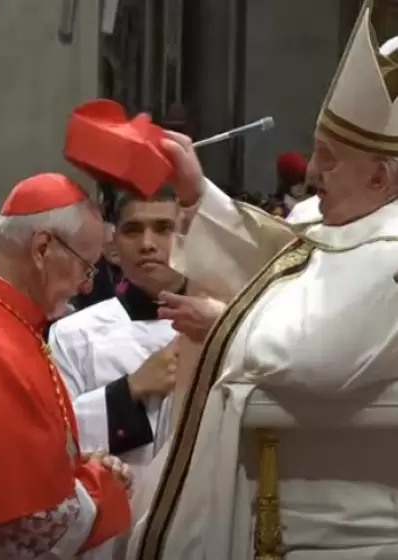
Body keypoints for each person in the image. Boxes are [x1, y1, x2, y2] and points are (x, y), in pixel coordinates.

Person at [127, 3, 398, 559]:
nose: (312, 173)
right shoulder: (334, 221)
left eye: (329, 157)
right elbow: (278, 266)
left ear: (380, 175)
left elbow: (318, 357)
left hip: (335, 532)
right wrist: (194, 193)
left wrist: (223, 321)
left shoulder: (389, 252)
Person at [0, 173, 132, 558]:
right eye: (86, 267)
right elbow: (21, 527)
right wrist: (101, 485)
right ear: (42, 248)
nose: (87, 285)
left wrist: (68, 468)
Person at [49, 186, 184, 491]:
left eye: (164, 229)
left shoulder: (227, 322)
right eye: (133, 230)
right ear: (114, 246)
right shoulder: (74, 333)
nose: (148, 244)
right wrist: (129, 390)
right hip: (116, 507)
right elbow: (51, 437)